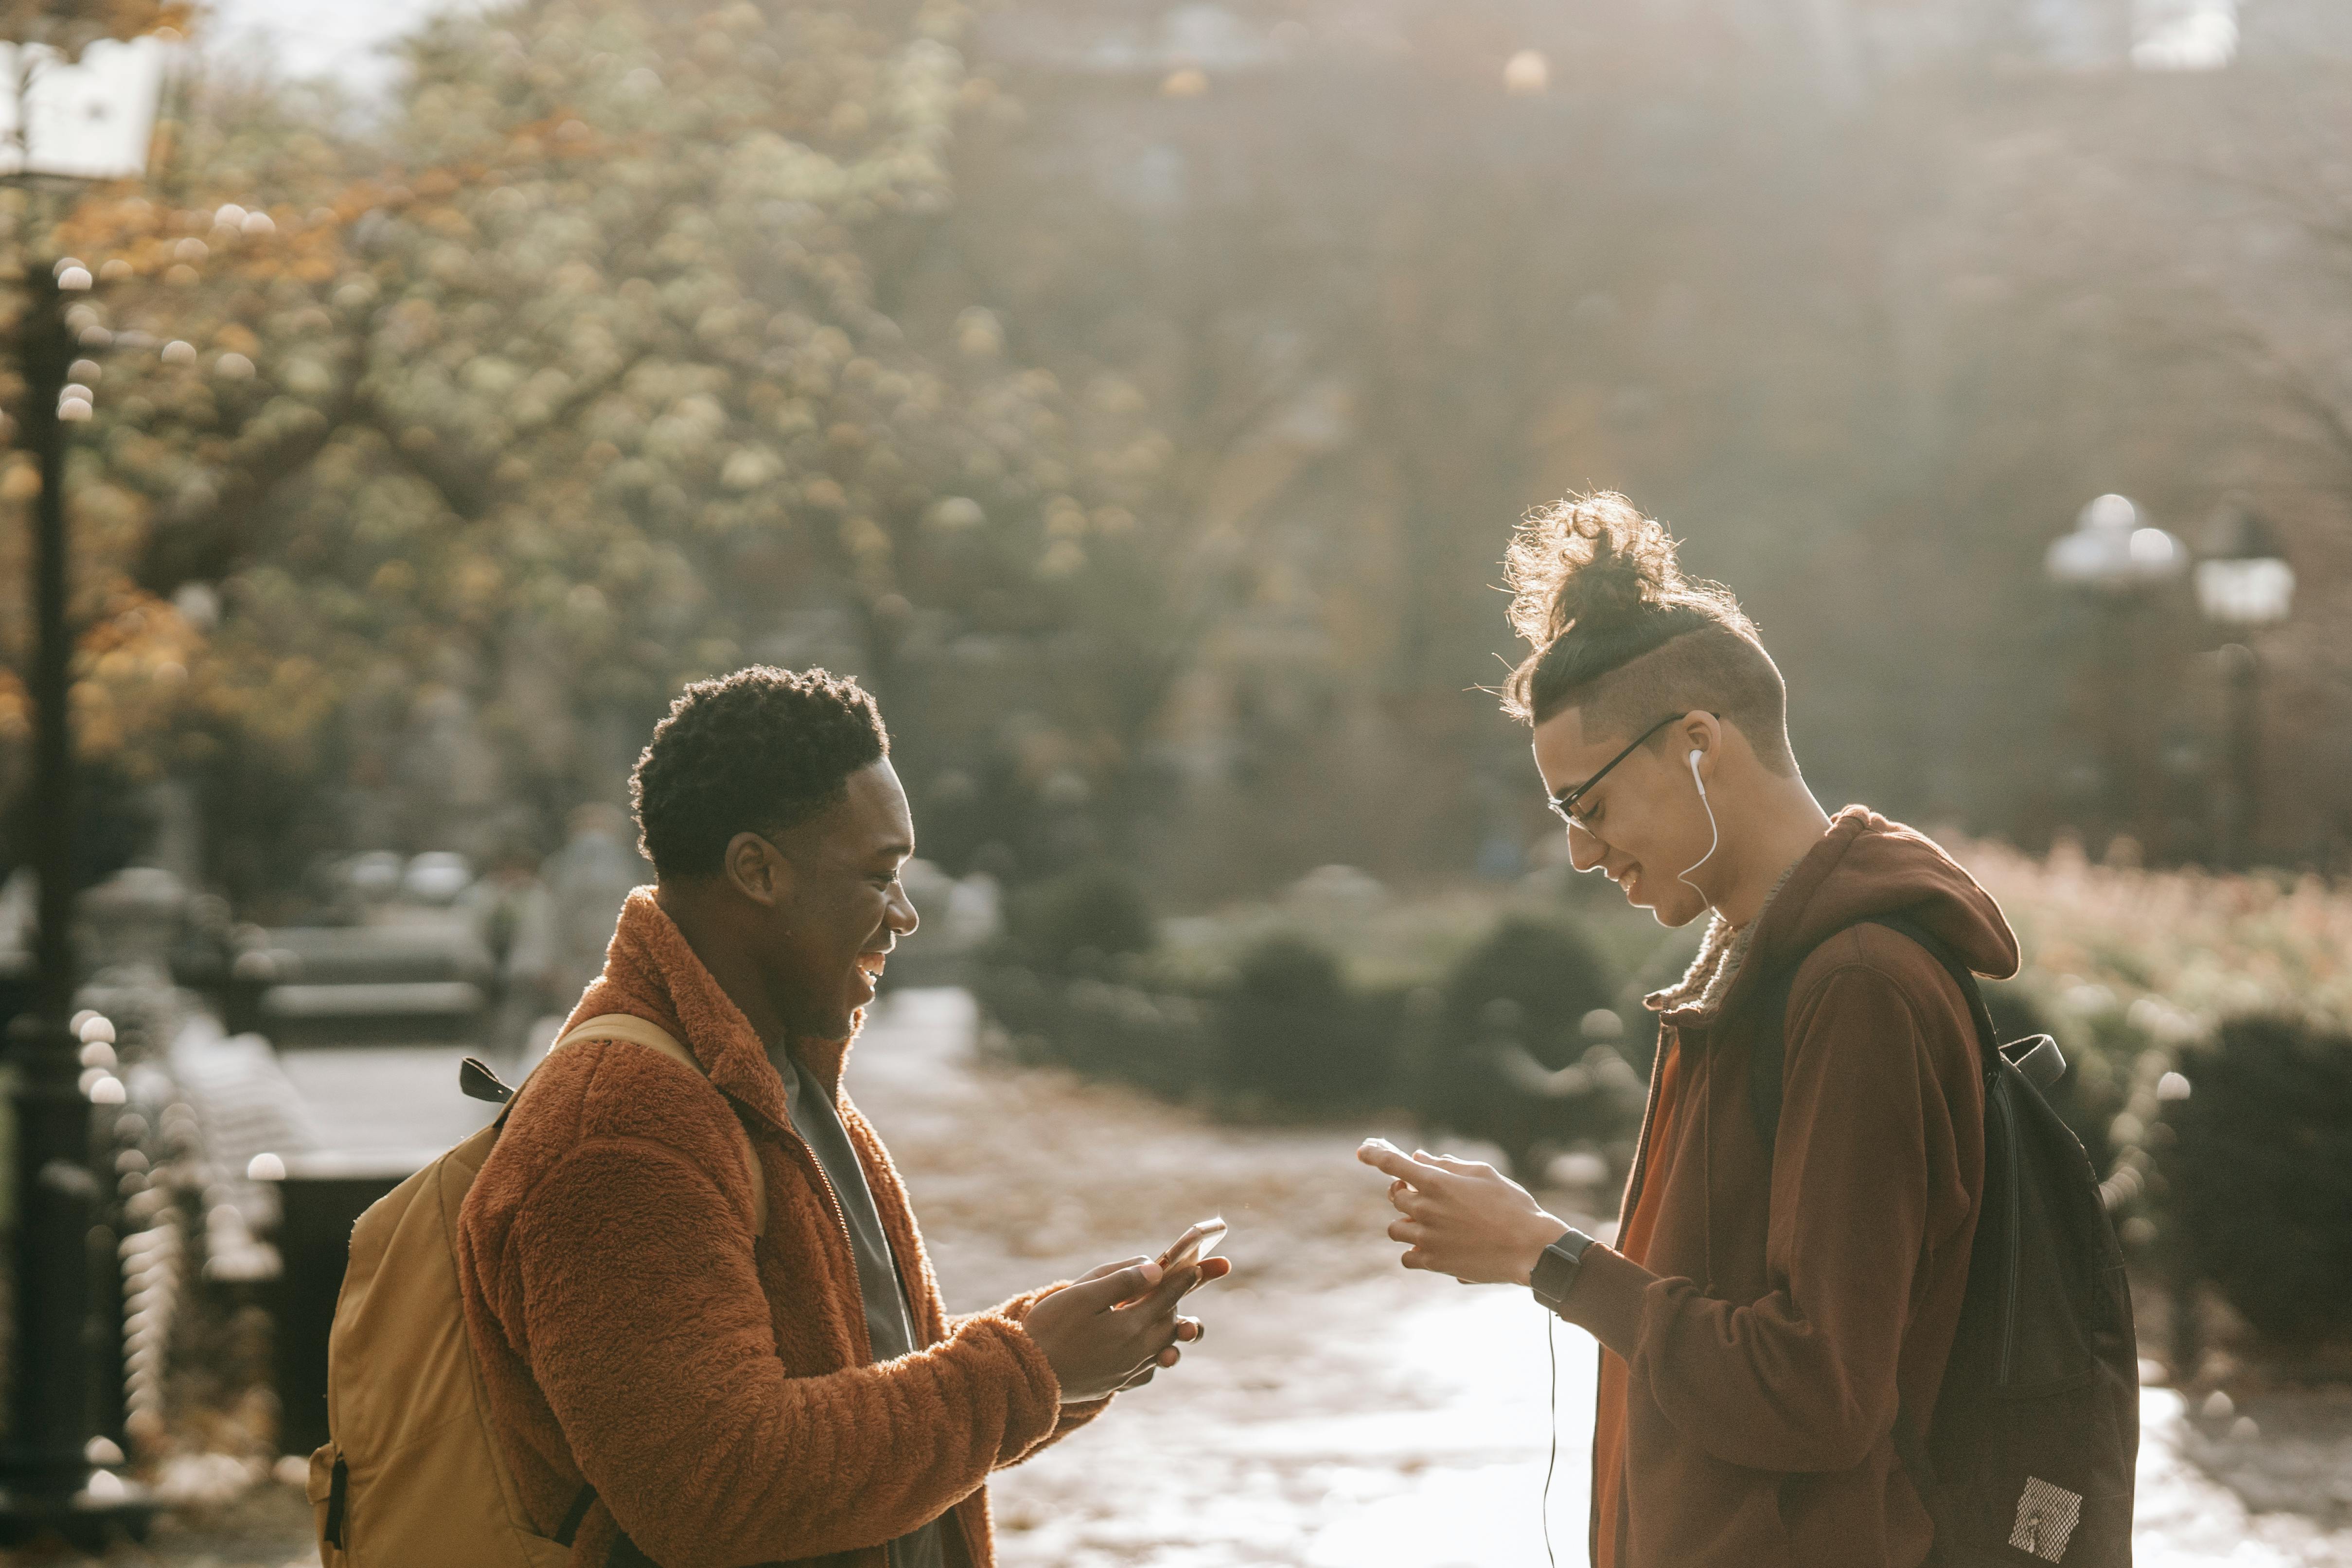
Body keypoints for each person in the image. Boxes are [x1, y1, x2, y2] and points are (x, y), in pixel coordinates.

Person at [1360, 493, 2018, 1568]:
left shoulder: (1858, 986)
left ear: (1699, 746)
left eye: (1588, 805)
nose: (1581, 851)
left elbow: (1819, 1392)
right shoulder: (1764, 970)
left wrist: (1548, 1254)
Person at [460, 666, 1225, 1568]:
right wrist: (1029, 1372)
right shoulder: (618, 1128)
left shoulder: (775, 1075)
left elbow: (875, 1411)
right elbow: (714, 1489)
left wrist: (1057, 1354)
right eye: (878, 873)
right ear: (757, 870)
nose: (903, 914)